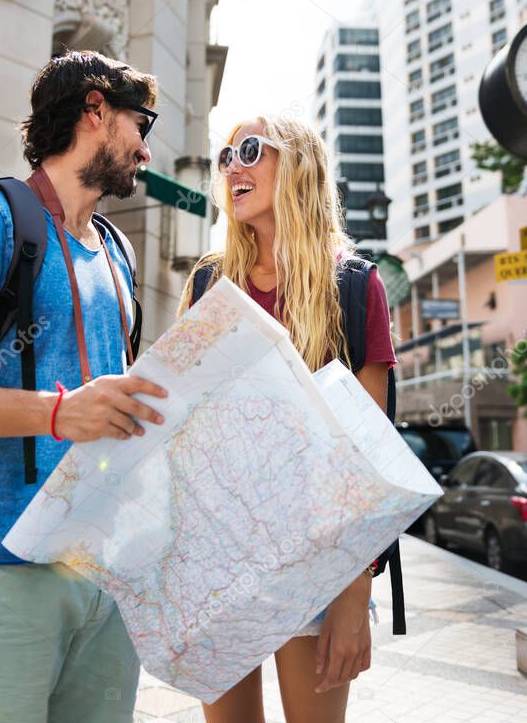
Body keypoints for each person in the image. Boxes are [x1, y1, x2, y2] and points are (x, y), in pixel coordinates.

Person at [0, 51, 169, 723]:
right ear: (95, 109)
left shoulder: (115, 249)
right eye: (142, 124)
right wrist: (57, 413)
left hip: (102, 575)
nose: (144, 148)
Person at [177, 114, 396, 723]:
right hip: (219, 558)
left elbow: (367, 456)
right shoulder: (209, 284)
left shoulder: (353, 286)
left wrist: (355, 592)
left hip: (319, 562)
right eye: (224, 157)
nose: (232, 167)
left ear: (297, 163)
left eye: (250, 150)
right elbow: (188, 430)